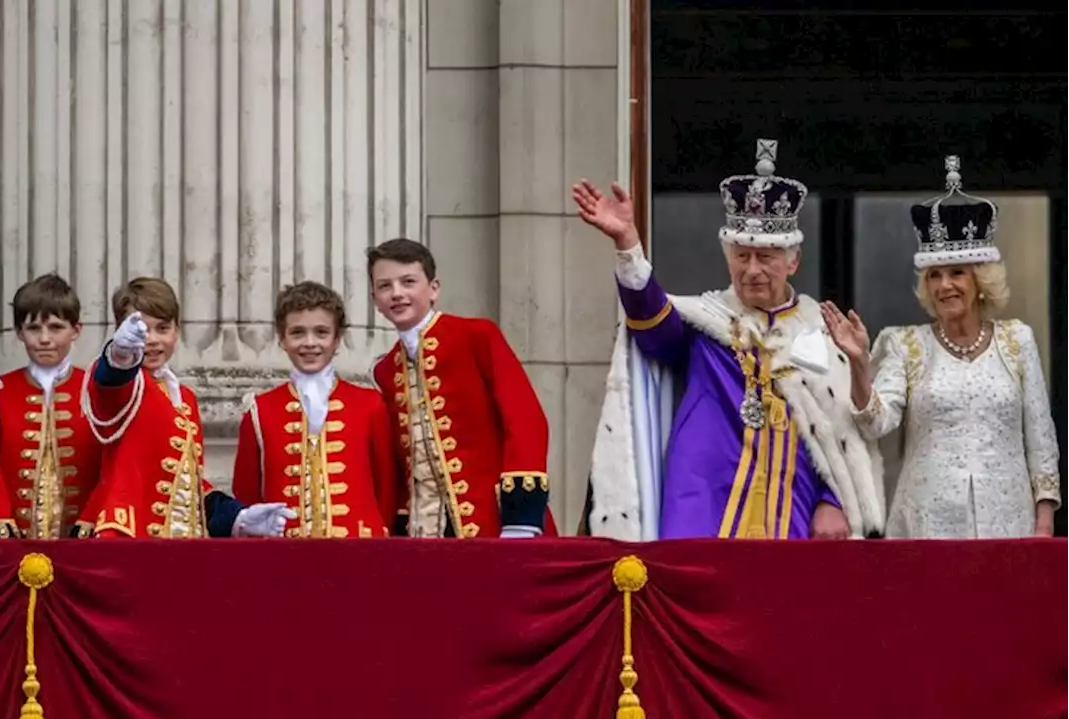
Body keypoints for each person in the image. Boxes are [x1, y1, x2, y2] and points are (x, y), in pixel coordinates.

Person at [577, 138, 884, 541]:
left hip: (794, 506)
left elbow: (842, 429)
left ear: (793, 261)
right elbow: (651, 328)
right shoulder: (705, 323)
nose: (752, 269)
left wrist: (833, 500)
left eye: (766, 256)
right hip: (704, 499)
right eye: (741, 255)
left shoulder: (821, 332)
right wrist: (628, 247)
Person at [823, 156, 1059, 538]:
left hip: (1008, 523)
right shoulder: (906, 344)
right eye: (934, 275)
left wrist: (1044, 520)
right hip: (927, 525)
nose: (944, 285)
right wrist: (857, 364)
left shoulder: (1018, 340)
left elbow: (1040, 436)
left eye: (956, 273)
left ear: (980, 278)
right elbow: (876, 423)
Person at [367, 238, 555, 539]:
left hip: (495, 522)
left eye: (408, 282)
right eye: (385, 286)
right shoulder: (386, 370)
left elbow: (525, 420)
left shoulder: (477, 336)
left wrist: (522, 517)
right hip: (425, 534)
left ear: (433, 289)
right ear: (375, 299)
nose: (397, 293)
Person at [82, 276, 296, 539]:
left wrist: (236, 517)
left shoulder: (184, 397)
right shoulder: (125, 381)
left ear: (177, 330)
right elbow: (110, 382)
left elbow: (192, 486)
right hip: (129, 539)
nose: (152, 340)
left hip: (181, 545)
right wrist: (121, 353)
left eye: (162, 328)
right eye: (142, 330)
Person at [232, 281, 398, 538]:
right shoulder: (260, 410)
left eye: (321, 332)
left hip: (361, 549)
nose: (310, 343)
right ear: (282, 339)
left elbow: (386, 487)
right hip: (284, 555)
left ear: (337, 339)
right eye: (298, 333)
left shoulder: (370, 404)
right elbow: (247, 492)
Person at [0, 274, 104, 539]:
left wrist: (93, 518)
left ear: (76, 330)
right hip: (13, 542)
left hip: (84, 542)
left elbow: (113, 463)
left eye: (56, 327)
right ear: (19, 333)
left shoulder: (96, 389)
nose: (44, 339)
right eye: (34, 328)